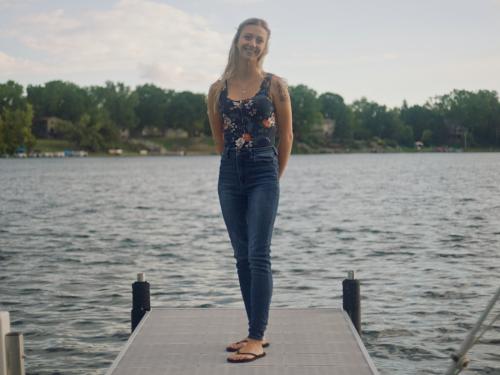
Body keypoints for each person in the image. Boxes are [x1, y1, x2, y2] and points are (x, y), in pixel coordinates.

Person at [207, 18, 293, 363]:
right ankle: (253, 330)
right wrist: (236, 165)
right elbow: (219, 139)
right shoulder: (217, 88)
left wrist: (274, 174)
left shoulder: (275, 86)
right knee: (241, 256)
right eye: (248, 37)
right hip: (229, 174)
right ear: (237, 40)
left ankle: (257, 337)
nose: (252, 44)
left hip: (263, 171)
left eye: (259, 40)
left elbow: (286, 136)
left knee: (259, 254)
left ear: (264, 45)